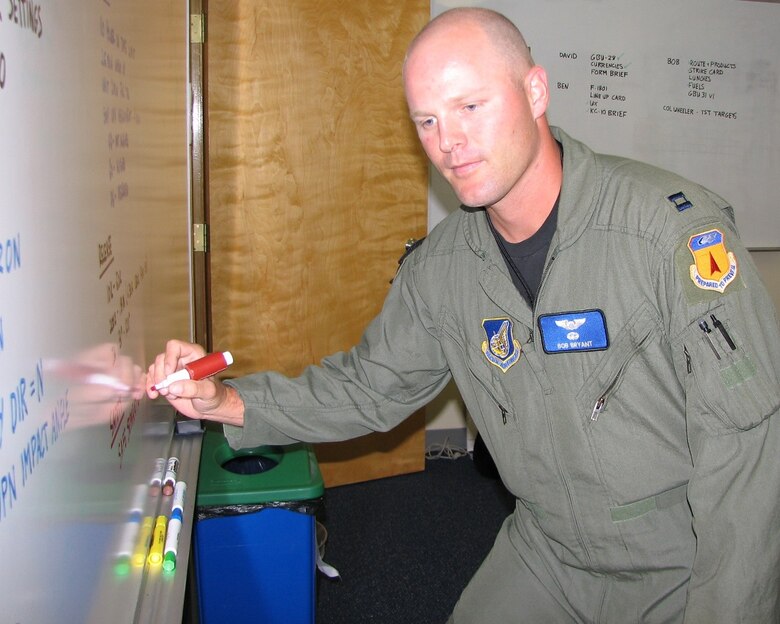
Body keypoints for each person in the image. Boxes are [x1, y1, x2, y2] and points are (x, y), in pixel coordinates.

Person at [148, 7, 780, 623]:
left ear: (534, 92)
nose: (447, 142)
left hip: (681, 557)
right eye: (426, 120)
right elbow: (370, 387)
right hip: (550, 552)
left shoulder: (669, 234)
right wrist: (225, 402)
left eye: (469, 107)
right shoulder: (441, 269)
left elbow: (748, 455)